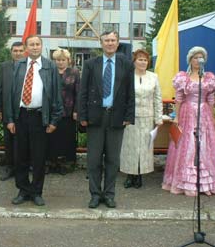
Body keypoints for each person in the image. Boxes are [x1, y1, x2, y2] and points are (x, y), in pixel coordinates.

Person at [79, 31, 135, 209]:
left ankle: (109, 194)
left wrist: (128, 116)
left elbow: (130, 92)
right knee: (94, 160)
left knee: (112, 160)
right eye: (106, 41)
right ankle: (95, 194)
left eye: (113, 40)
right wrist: (82, 116)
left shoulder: (126, 64)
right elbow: (83, 91)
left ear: (118, 43)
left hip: (117, 118)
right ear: (101, 43)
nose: (110, 43)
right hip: (95, 117)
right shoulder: (90, 64)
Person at [5, 35, 63, 206]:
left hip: (40, 117)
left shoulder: (50, 66)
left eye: (38, 44)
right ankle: (23, 190)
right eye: (32, 44)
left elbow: (56, 95)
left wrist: (54, 121)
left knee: (38, 158)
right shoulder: (18, 65)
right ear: (26, 47)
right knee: (20, 157)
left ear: (41, 46)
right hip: (21, 116)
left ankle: (37, 191)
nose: (35, 47)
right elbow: (10, 95)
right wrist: (10, 119)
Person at [162, 46, 215, 196]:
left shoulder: (209, 78)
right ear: (190, 60)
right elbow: (179, 98)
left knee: (204, 143)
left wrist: (213, 116)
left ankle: (204, 182)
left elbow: (211, 99)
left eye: (200, 58)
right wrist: (177, 116)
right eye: (195, 58)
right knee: (187, 144)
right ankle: (184, 181)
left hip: (204, 113)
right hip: (187, 112)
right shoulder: (183, 77)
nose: (197, 60)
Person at [120, 49, 163, 189]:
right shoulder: (127, 76)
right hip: (130, 117)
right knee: (129, 147)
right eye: (140, 59)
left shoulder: (154, 77)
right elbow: (123, 98)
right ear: (134, 62)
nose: (143, 62)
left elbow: (157, 98)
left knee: (144, 148)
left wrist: (158, 118)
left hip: (147, 117)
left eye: (145, 60)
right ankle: (129, 175)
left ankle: (139, 175)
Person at [48, 48, 81, 175]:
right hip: (52, 111)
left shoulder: (74, 72)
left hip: (69, 111)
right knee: (52, 138)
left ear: (68, 60)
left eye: (63, 60)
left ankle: (65, 165)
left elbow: (78, 92)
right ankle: (52, 162)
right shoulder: (50, 72)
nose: (60, 62)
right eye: (58, 60)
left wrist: (76, 110)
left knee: (66, 139)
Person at [0, 41, 25, 181]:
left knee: (23, 141)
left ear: (24, 51)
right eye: (15, 51)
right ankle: (9, 167)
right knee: (9, 141)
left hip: (24, 110)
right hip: (8, 110)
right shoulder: (4, 67)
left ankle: (23, 167)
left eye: (20, 50)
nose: (18, 53)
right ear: (11, 52)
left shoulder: (28, 66)